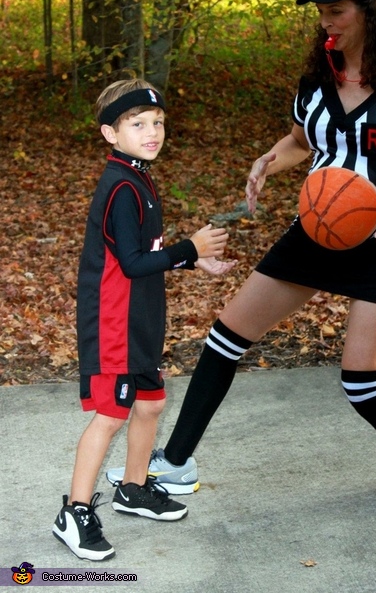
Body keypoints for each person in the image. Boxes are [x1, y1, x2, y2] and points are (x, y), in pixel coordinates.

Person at [107, 0, 376, 509]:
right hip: (315, 231)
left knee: (361, 385)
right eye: (322, 10)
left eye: (337, 9)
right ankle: (175, 463)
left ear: (371, 12)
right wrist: (267, 161)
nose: (327, 20)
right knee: (224, 339)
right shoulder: (317, 76)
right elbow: (302, 141)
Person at [53, 79, 235, 561]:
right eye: (138, 124)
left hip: (142, 314)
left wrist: (190, 260)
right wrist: (189, 248)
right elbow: (131, 263)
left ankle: (133, 489)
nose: (152, 131)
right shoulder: (119, 187)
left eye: (157, 123)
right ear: (110, 134)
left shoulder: (137, 176)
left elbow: (145, 255)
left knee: (151, 404)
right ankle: (73, 513)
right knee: (111, 414)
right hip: (114, 319)